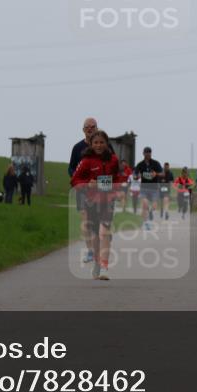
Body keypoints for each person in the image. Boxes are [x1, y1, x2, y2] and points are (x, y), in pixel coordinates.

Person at [70, 130, 126, 280]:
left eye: (102, 142)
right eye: (96, 142)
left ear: (106, 143)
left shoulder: (113, 159)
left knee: (104, 232)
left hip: (108, 200)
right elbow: (74, 180)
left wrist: (119, 190)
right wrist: (87, 184)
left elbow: (119, 177)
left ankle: (104, 267)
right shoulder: (86, 161)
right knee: (95, 235)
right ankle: (97, 262)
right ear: (91, 144)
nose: (99, 145)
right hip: (91, 202)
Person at [69, 118, 98, 264]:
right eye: (87, 127)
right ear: (83, 130)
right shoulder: (77, 148)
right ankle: (90, 251)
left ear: (97, 128)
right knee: (86, 221)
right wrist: (77, 180)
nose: (90, 129)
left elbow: (112, 169)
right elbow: (71, 168)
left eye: (93, 126)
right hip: (83, 190)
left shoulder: (104, 147)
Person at [133, 146, 163, 229]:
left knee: (154, 206)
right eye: (146, 152)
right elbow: (135, 175)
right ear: (143, 153)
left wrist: (156, 174)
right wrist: (137, 176)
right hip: (144, 188)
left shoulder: (155, 163)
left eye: (149, 152)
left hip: (154, 188)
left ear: (151, 153)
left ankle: (150, 212)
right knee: (145, 204)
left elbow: (162, 173)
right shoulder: (140, 164)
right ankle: (145, 223)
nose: (148, 154)